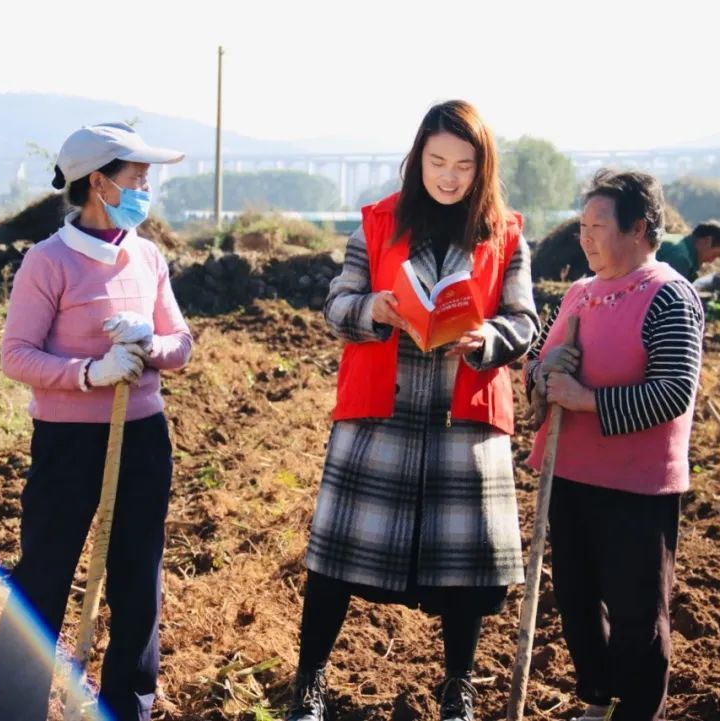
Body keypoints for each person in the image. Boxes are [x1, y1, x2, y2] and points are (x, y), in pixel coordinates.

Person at [286, 100, 539, 721]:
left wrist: (486, 339)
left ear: (482, 169)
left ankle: (459, 687)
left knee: (464, 570)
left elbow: (524, 319)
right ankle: (309, 686)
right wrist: (374, 308)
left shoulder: (504, 234)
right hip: (382, 414)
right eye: (437, 162)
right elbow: (338, 302)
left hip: (463, 417)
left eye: (463, 165)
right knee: (336, 559)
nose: (449, 177)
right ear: (416, 160)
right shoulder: (376, 224)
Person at [0, 122, 192, 721]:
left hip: (143, 436)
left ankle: (128, 707)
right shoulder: (48, 263)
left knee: (136, 579)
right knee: (45, 574)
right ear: (99, 183)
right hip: (68, 443)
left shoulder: (147, 256)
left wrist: (152, 344)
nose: (147, 186)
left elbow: (181, 343)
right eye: (138, 177)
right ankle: (13, 712)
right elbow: (15, 354)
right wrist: (89, 373)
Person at [525, 169, 705, 721]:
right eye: (583, 225)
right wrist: (540, 371)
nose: (586, 237)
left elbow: (674, 390)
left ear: (640, 228)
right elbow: (536, 360)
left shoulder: (668, 295)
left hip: (636, 483)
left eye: (598, 225)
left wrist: (588, 401)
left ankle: (638, 710)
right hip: (571, 473)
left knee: (636, 611)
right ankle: (596, 700)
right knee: (577, 602)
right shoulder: (579, 293)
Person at [655, 221, 720, 281]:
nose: (711, 261)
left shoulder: (677, 241)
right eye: (715, 255)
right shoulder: (681, 259)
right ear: (707, 241)